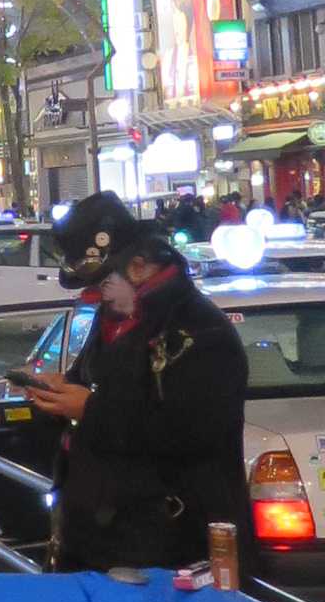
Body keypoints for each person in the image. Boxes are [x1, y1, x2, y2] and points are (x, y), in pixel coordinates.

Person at [24, 192, 250, 574]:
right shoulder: (116, 319)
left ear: (140, 266)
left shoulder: (201, 330)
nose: (93, 295)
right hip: (98, 539)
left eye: (101, 283)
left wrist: (88, 409)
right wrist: (59, 394)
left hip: (164, 549)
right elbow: (95, 386)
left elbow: (189, 433)